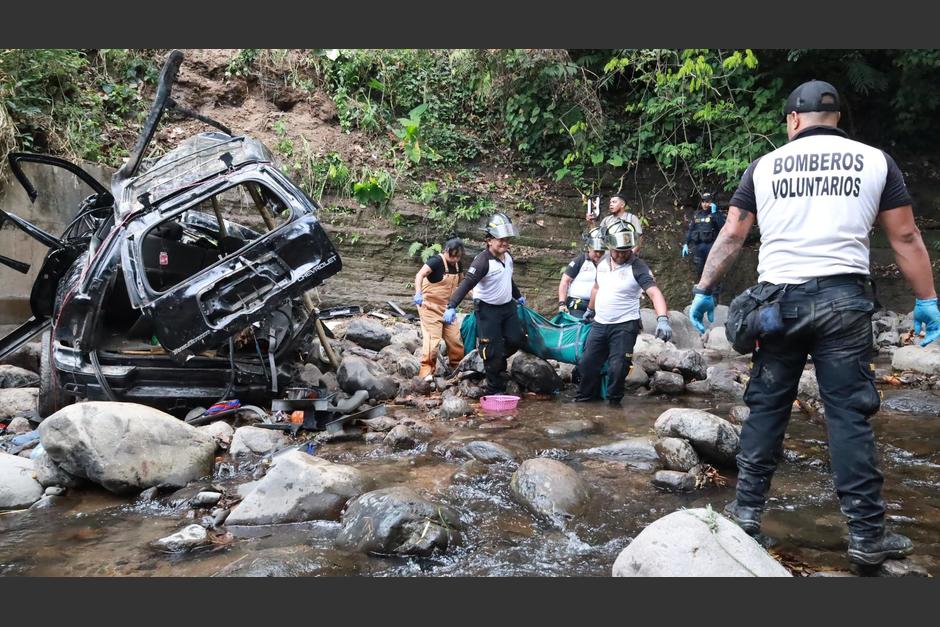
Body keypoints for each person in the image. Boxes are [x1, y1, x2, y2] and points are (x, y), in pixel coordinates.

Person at [689, 79, 940, 566]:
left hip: (777, 304)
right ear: (837, 120)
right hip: (844, 303)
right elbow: (905, 235)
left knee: (766, 409)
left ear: (792, 121)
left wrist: (703, 290)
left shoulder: (764, 166)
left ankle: (745, 516)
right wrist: (927, 298)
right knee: (848, 415)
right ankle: (867, 536)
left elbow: (733, 232)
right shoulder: (874, 161)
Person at [575, 219, 672, 406]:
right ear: (610, 247)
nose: (622, 255)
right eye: (618, 251)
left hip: (625, 325)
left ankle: (613, 404)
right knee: (587, 364)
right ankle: (585, 401)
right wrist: (590, 309)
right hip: (600, 323)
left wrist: (662, 319)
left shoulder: (638, 267)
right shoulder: (602, 262)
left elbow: (654, 292)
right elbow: (596, 287)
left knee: (618, 368)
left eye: (626, 250)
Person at [443, 212, 527, 395]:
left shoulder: (508, 257)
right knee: (491, 350)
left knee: (516, 339)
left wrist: (518, 296)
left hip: (508, 307)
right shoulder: (482, 261)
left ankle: (495, 361)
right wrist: (451, 306)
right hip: (488, 310)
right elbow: (466, 284)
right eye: (500, 239)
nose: (504, 243)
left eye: (507, 239)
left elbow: (508, 280)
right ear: (489, 240)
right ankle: (494, 390)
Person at [413, 237, 466, 380]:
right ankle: (426, 372)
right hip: (429, 306)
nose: (455, 259)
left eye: (458, 256)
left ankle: (457, 368)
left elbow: (463, 284)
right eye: (452, 255)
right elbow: (420, 275)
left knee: (455, 339)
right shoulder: (436, 261)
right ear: (446, 251)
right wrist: (418, 293)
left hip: (448, 308)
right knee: (433, 341)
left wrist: (478, 296)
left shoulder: (457, 265)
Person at [558, 227, 606, 318]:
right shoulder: (579, 261)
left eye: (601, 251)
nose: (599, 254)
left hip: (600, 306)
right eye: (596, 251)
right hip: (578, 305)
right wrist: (562, 303)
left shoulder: (608, 263)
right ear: (589, 248)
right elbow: (565, 281)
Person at [682, 191, 726, 285]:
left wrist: (714, 214)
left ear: (711, 202)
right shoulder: (697, 215)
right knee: (699, 270)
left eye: (707, 201)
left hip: (712, 246)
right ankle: (700, 290)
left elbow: (723, 228)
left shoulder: (717, 214)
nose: (705, 204)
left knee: (713, 272)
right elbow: (691, 230)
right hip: (698, 247)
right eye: (703, 202)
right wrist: (686, 243)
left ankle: (714, 294)